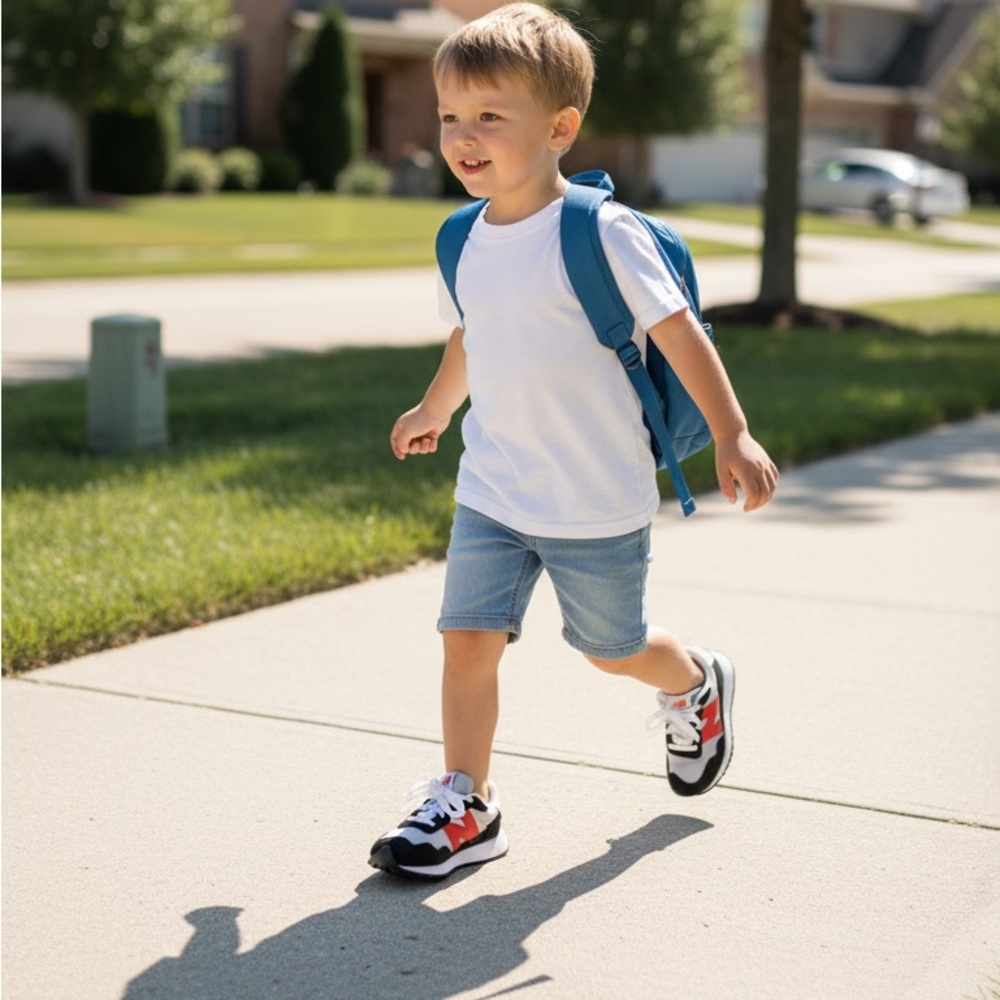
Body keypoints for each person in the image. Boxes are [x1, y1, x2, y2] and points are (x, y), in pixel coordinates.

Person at [369, 2, 778, 880]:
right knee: (466, 640)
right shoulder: (462, 237)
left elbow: (680, 332)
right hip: (495, 488)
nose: (462, 136)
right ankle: (465, 802)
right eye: (449, 115)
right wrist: (435, 409)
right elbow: (470, 337)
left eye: (489, 116)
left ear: (560, 127)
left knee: (610, 648)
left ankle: (693, 681)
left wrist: (732, 434)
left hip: (593, 495)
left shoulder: (601, 229)